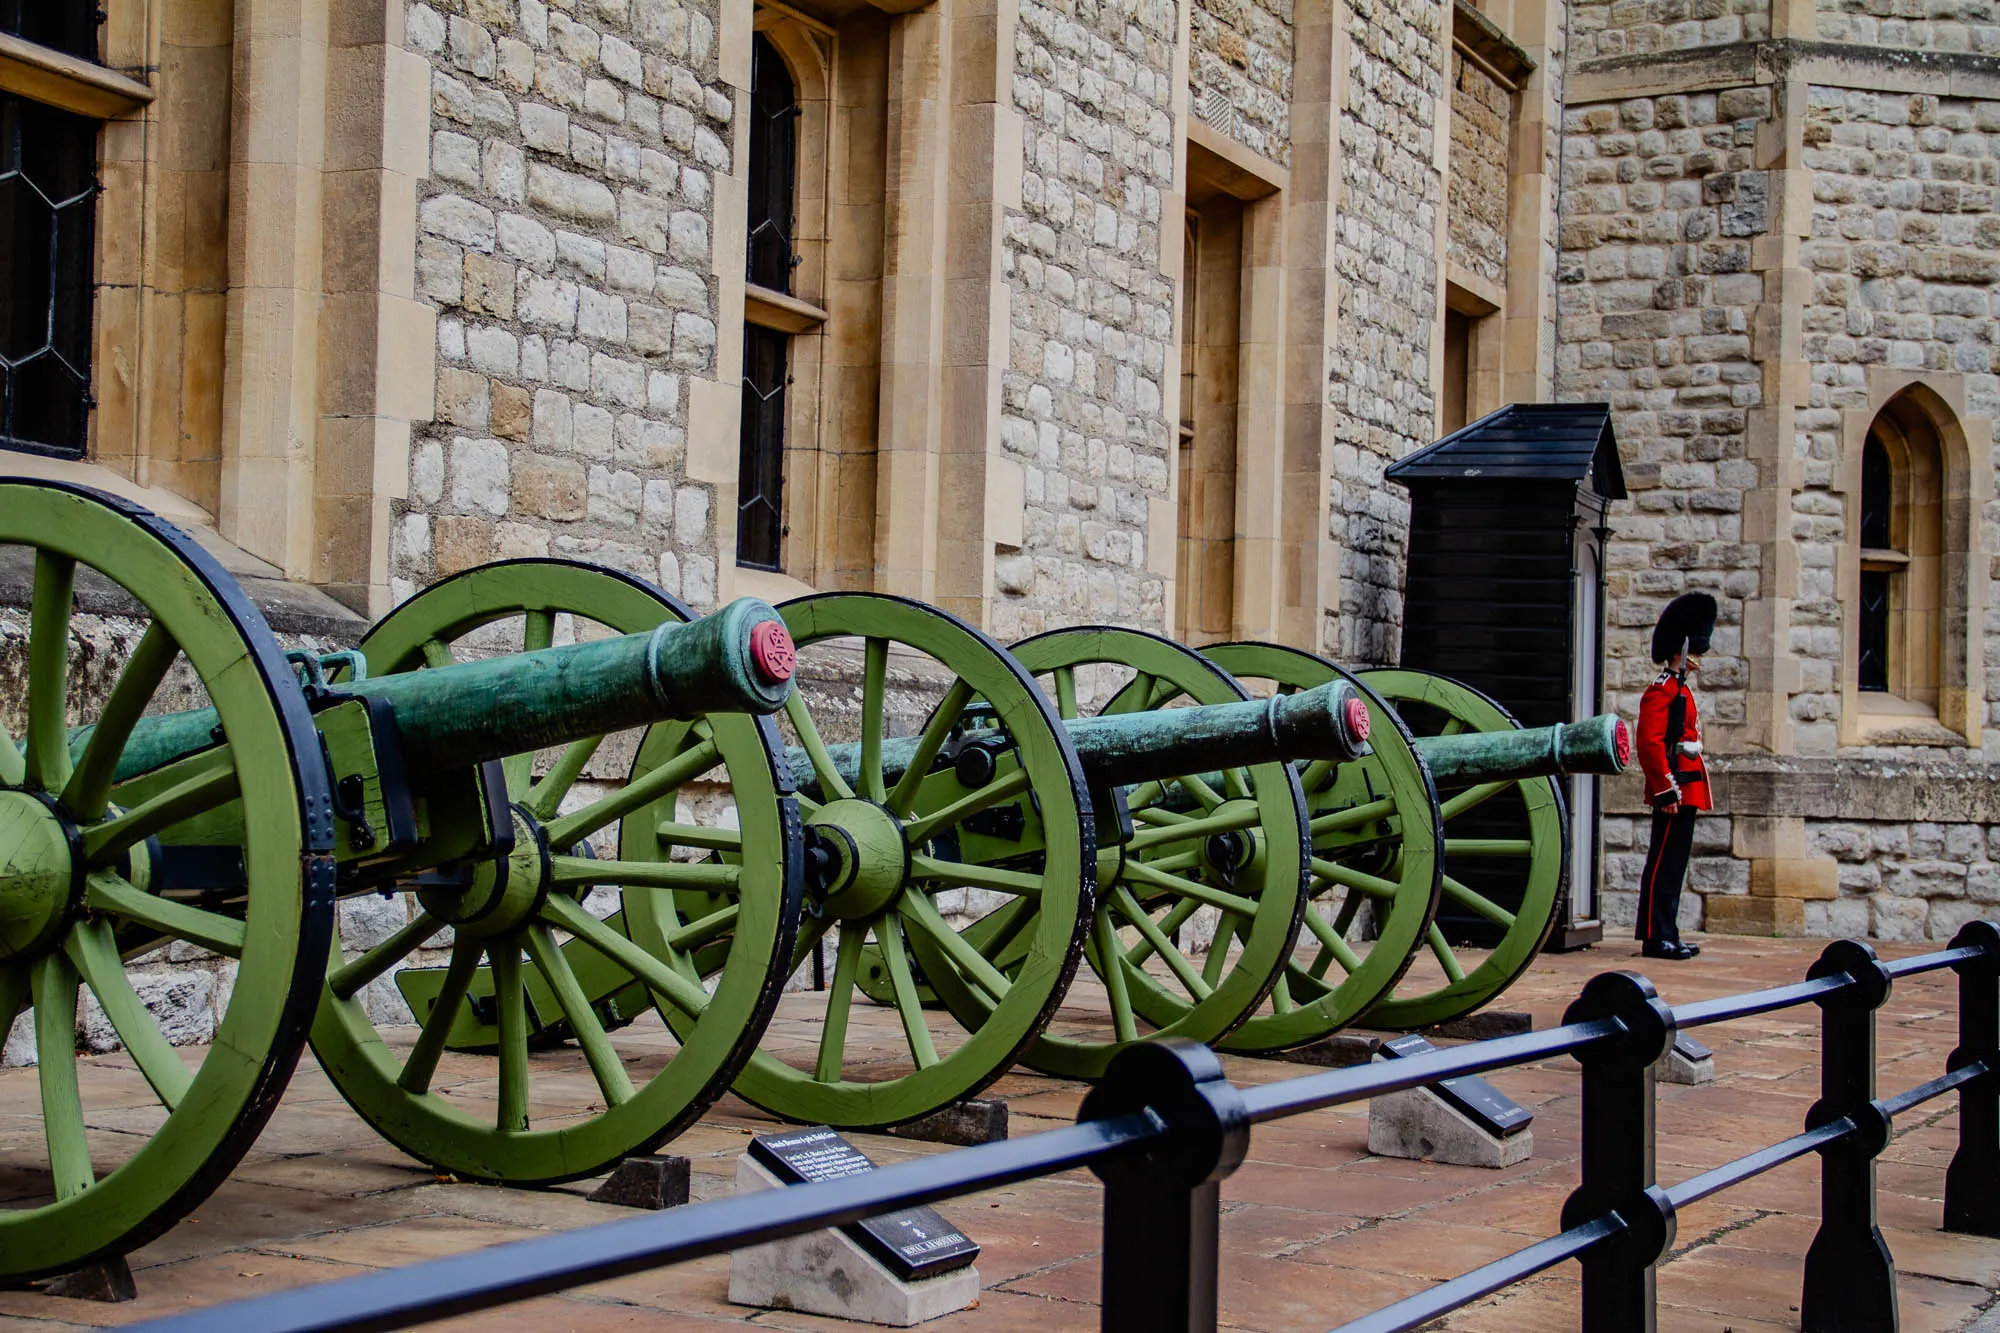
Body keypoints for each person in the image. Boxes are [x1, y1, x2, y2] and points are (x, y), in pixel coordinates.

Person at [1634, 592, 1717, 961]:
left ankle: (1668, 931)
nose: (1697, 658)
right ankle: (1655, 936)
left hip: (1687, 785)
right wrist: (1665, 789)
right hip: (1675, 789)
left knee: (1675, 864)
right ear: (1680, 649)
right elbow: (1650, 744)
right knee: (1663, 862)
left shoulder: (1680, 689)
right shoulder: (1661, 691)